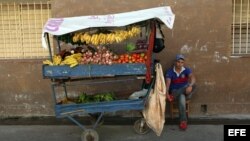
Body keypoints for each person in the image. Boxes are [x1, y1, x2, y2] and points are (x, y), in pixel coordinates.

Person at [165, 54, 196, 131]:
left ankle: (174, 96)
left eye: (182, 62)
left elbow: (193, 77)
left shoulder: (186, 70)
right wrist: (167, 94)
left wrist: (190, 86)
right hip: (175, 91)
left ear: (183, 63)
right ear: (175, 62)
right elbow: (167, 84)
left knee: (193, 85)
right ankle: (183, 121)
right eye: (178, 62)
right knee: (182, 97)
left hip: (185, 91)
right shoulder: (170, 71)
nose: (180, 64)